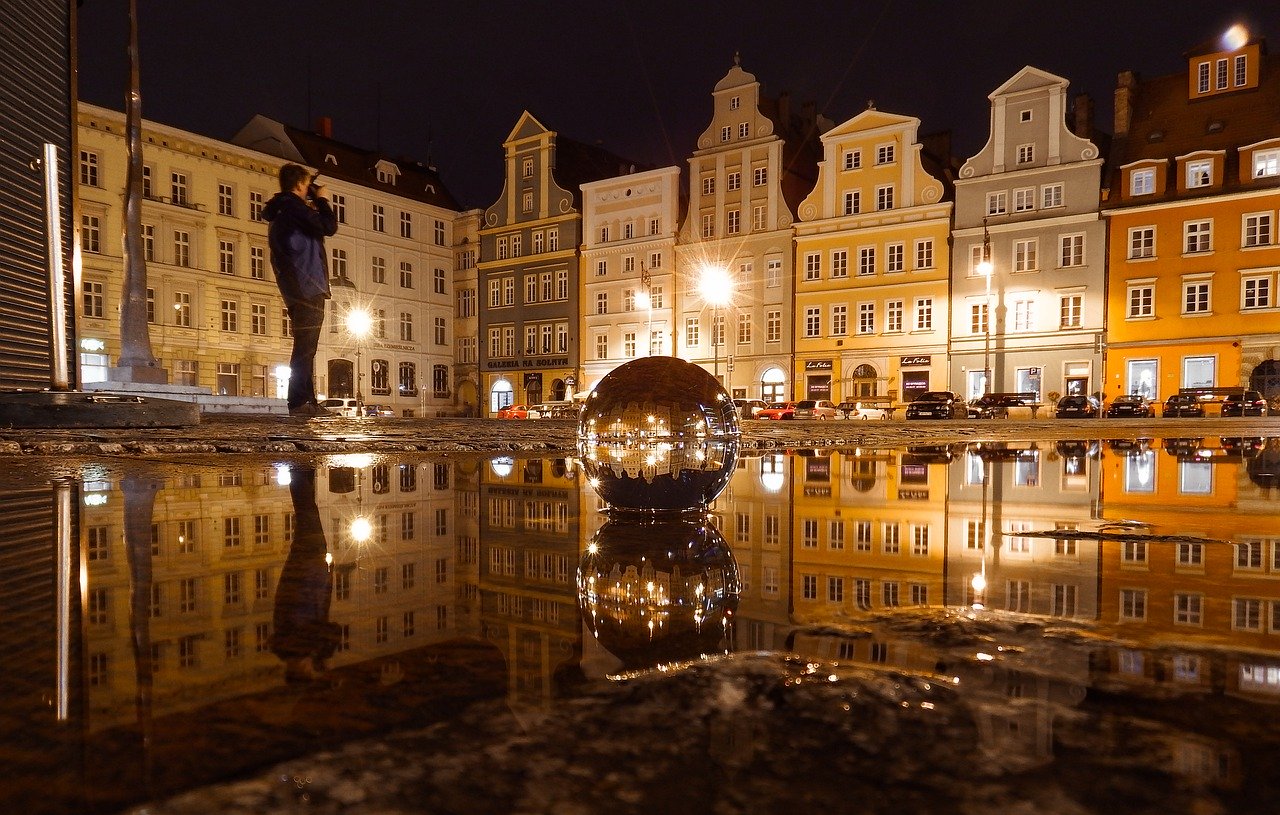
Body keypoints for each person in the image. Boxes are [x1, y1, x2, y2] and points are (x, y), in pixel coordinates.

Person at [263, 163, 339, 416]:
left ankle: (307, 401)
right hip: (307, 284)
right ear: (299, 185)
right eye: (307, 184)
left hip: (295, 284)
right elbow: (329, 226)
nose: (310, 189)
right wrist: (324, 200)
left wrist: (311, 201)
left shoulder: (283, 210)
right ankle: (298, 402)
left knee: (307, 345)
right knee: (306, 346)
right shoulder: (293, 209)